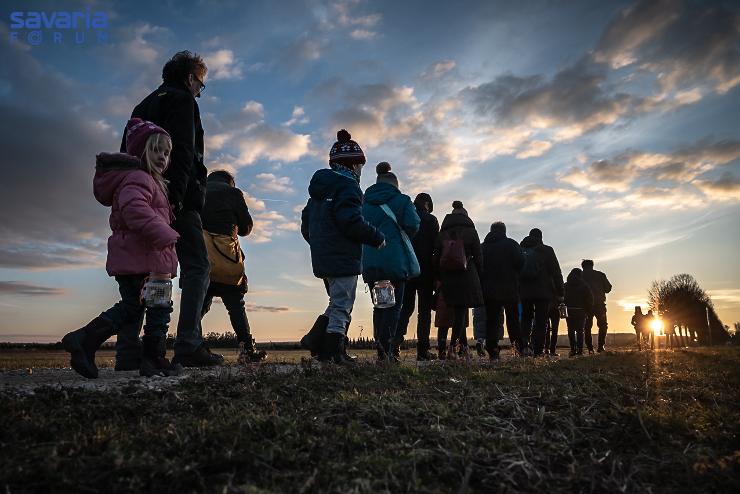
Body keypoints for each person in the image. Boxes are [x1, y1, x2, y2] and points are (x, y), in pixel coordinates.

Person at [121, 51, 221, 368]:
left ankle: (128, 353)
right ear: (190, 78)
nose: (200, 91)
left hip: (139, 197)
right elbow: (184, 152)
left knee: (140, 271)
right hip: (175, 199)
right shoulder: (183, 101)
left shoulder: (142, 105)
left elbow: (126, 153)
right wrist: (176, 200)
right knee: (197, 267)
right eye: (201, 84)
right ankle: (188, 345)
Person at [63, 119, 181, 378]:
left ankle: (145, 356)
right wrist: (165, 234)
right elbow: (133, 210)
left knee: (144, 308)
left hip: (149, 260)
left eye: (166, 152)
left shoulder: (152, 181)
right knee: (145, 307)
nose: (162, 157)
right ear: (140, 153)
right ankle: (88, 339)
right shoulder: (138, 178)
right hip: (142, 259)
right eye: (155, 150)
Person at [300, 130, 385, 364]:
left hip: (323, 256)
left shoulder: (318, 192)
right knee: (342, 304)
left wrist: (319, 244)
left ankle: (316, 339)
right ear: (354, 165)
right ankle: (334, 351)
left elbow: (306, 225)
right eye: (360, 165)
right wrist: (376, 237)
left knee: (336, 300)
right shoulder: (348, 187)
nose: (360, 171)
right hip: (343, 255)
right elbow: (351, 221)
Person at [199, 170, 266, 363]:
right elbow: (246, 228)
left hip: (201, 257)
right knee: (236, 305)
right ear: (231, 183)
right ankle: (247, 349)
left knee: (199, 305)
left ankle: (193, 344)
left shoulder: (198, 189)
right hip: (225, 257)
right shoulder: (233, 193)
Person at [361, 163, 420, 361]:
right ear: (395, 184)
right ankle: (387, 350)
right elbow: (413, 224)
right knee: (394, 307)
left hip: (371, 261)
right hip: (395, 262)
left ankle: (380, 347)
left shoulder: (364, 202)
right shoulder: (401, 200)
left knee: (380, 305)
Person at [433, 201, 483, 359]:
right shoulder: (471, 232)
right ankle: (454, 347)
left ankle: (459, 347)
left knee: (455, 310)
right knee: (461, 312)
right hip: (466, 276)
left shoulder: (443, 233)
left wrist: (439, 277)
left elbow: (435, 256)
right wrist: (480, 276)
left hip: (447, 277)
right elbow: (479, 257)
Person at [396, 193, 439, 361]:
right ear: (428, 204)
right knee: (424, 312)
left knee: (405, 308)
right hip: (426, 271)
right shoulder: (431, 220)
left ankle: (395, 345)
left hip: (407, 270)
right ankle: (422, 350)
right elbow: (437, 247)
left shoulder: (407, 218)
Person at [480, 221, 525, 359]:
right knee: (513, 320)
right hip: (509, 288)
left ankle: (492, 349)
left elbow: (479, 266)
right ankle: (518, 348)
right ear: (504, 231)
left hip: (489, 290)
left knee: (492, 321)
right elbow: (520, 262)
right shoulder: (511, 244)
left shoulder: (483, 247)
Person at [519, 228, 564, 356]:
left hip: (524, 291)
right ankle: (538, 350)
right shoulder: (547, 250)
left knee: (526, 318)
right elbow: (556, 273)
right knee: (541, 321)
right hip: (543, 292)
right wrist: (560, 293)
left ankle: (524, 347)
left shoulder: (521, 249)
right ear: (541, 238)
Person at [581, 259, 613, 353]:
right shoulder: (600, 275)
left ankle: (590, 348)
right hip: (599, 304)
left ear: (583, 267)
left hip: (586, 305)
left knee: (587, 327)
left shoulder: (580, 276)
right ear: (592, 265)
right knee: (603, 325)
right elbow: (608, 288)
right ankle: (601, 346)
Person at [434, 281, 470, 359]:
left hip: (443, 288)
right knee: (460, 320)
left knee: (443, 323)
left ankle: (442, 351)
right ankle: (462, 349)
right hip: (460, 288)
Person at [564, 268, 594, 356]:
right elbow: (590, 299)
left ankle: (573, 349)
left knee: (570, 330)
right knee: (580, 331)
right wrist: (588, 311)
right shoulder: (584, 286)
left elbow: (562, 297)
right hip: (581, 311)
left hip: (568, 311)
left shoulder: (565, 285)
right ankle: (580, 350)